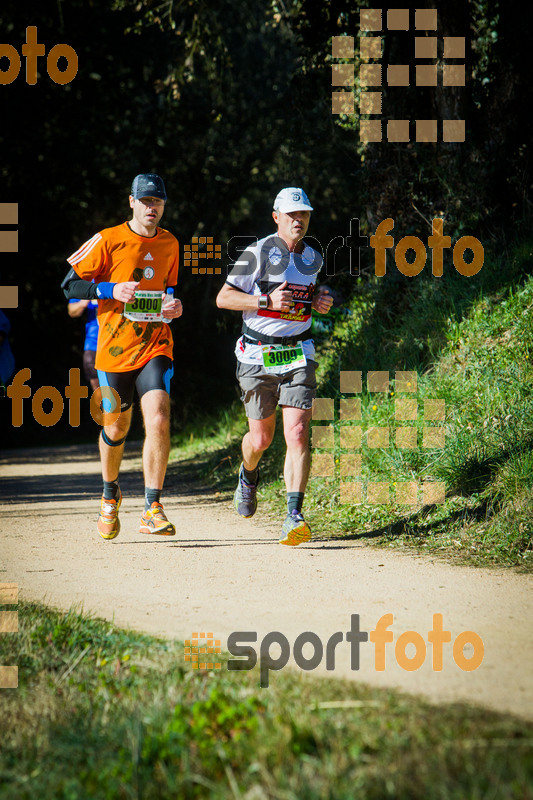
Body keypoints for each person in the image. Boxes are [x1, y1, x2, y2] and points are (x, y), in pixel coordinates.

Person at [61, 173, 183, 540]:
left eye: (157, 201)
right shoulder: (108, 239)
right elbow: (68, 284)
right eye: (145, 201)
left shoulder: (171, 243)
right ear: (131, 201)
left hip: (155, 344)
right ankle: (110, 494)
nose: (152, 208)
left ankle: (152, 507)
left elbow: (169, 288)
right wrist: (110, 288)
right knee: (115, 427)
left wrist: (173, 305)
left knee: (159, 416)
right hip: (113, 351)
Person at [216, 187, 333, 546]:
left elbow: (308, 296)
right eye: (292, 215)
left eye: (305, 215)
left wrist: (320, 299)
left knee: (297, 433)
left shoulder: (314, 257)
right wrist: (264, 299)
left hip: (299, 353)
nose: (299, 221)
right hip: (256, 356)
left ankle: (294, 515)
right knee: (261, 439)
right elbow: (224, 298)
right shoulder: (257, 253)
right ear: (276, 217)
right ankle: (248, 475)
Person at [67, 296, 99, 391]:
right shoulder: (86, 281)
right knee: (97, 388)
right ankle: (101, 405)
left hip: (116, 342)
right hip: (93, 342)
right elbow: (71, 311)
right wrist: (82, 303)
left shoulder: (117, 281)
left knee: (120, 390)